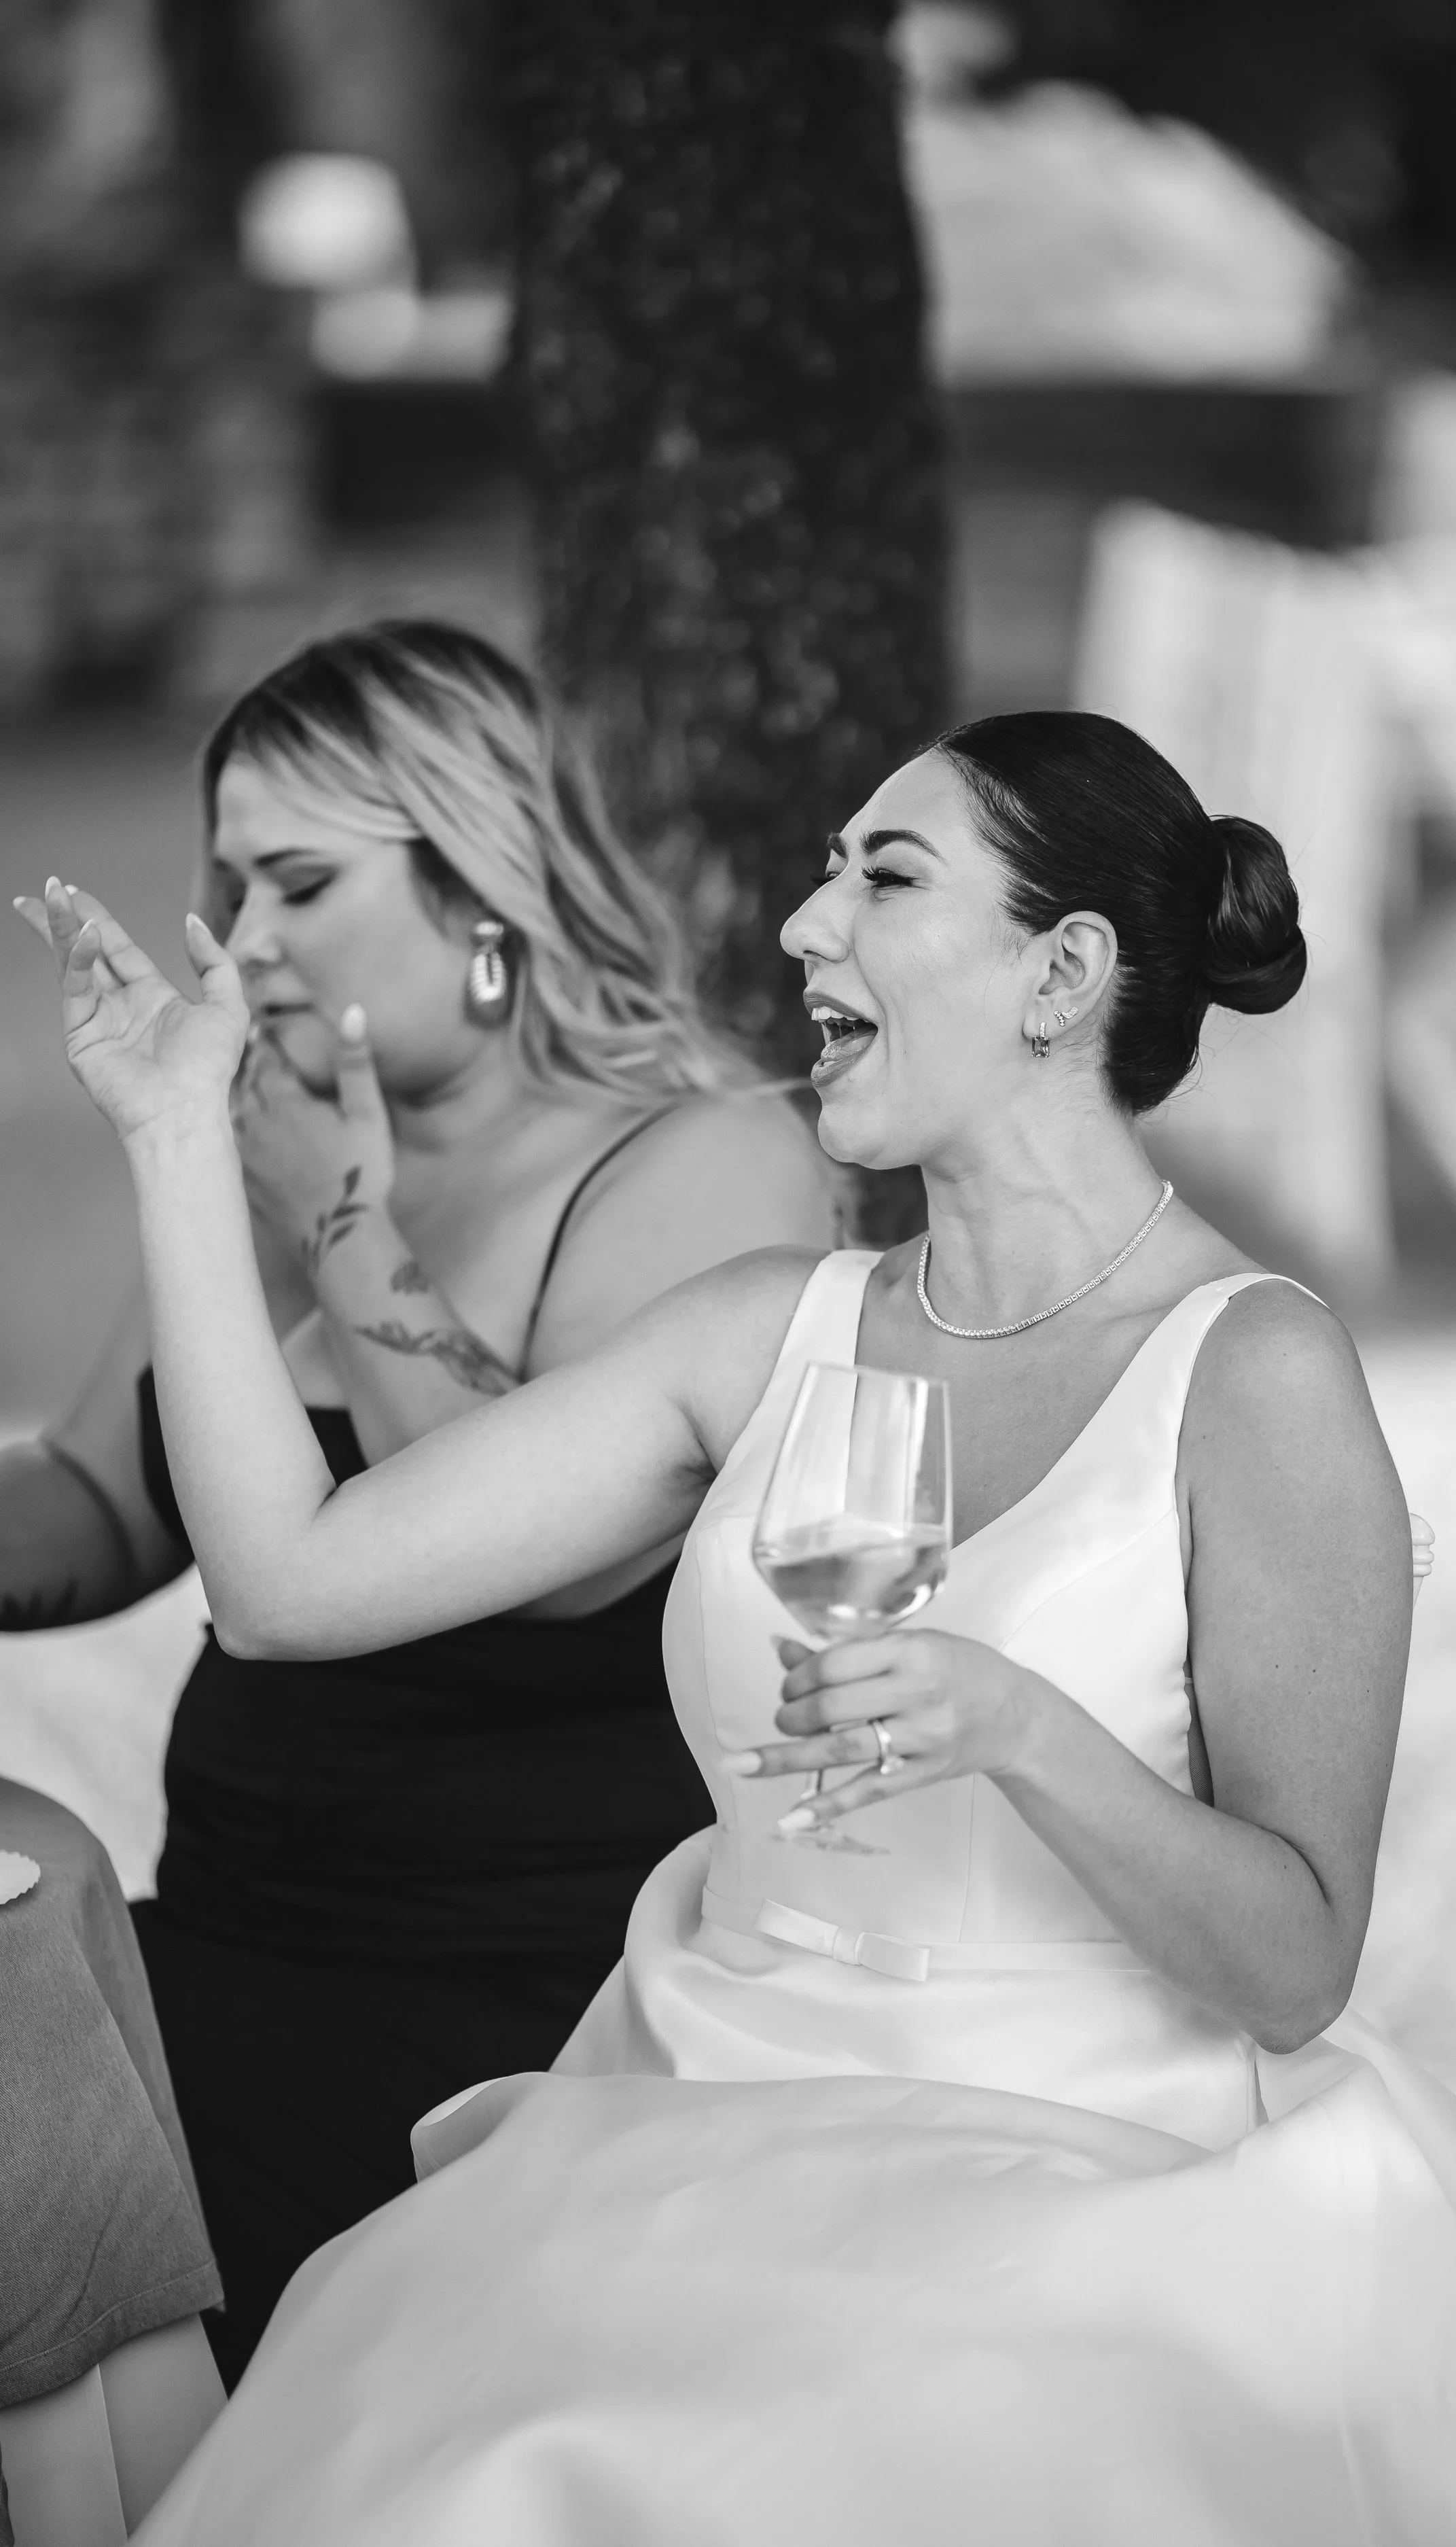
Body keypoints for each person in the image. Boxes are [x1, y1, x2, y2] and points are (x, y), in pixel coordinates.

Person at [18, 712, 1456, 2543]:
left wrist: (1020, 1729)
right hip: (697, 2122)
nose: (806, 926)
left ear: (1062, 973)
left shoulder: (1255, 1373)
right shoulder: (766, 1332)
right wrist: (175, 1133)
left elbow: (1294, 1964)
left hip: (1094, 2163)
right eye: (826, 874)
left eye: (885, 878)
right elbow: (287, 1584)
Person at [1, 621, 834, 2382]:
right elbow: (96, 1498)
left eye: (303, 882)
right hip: (220, 1931)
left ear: (484, 885)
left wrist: (336, 1219)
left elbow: (542, 1565)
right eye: (231, 882)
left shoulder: (698, 1157)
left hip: (491, 2000)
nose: (247, 939)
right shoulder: (264, 1139)